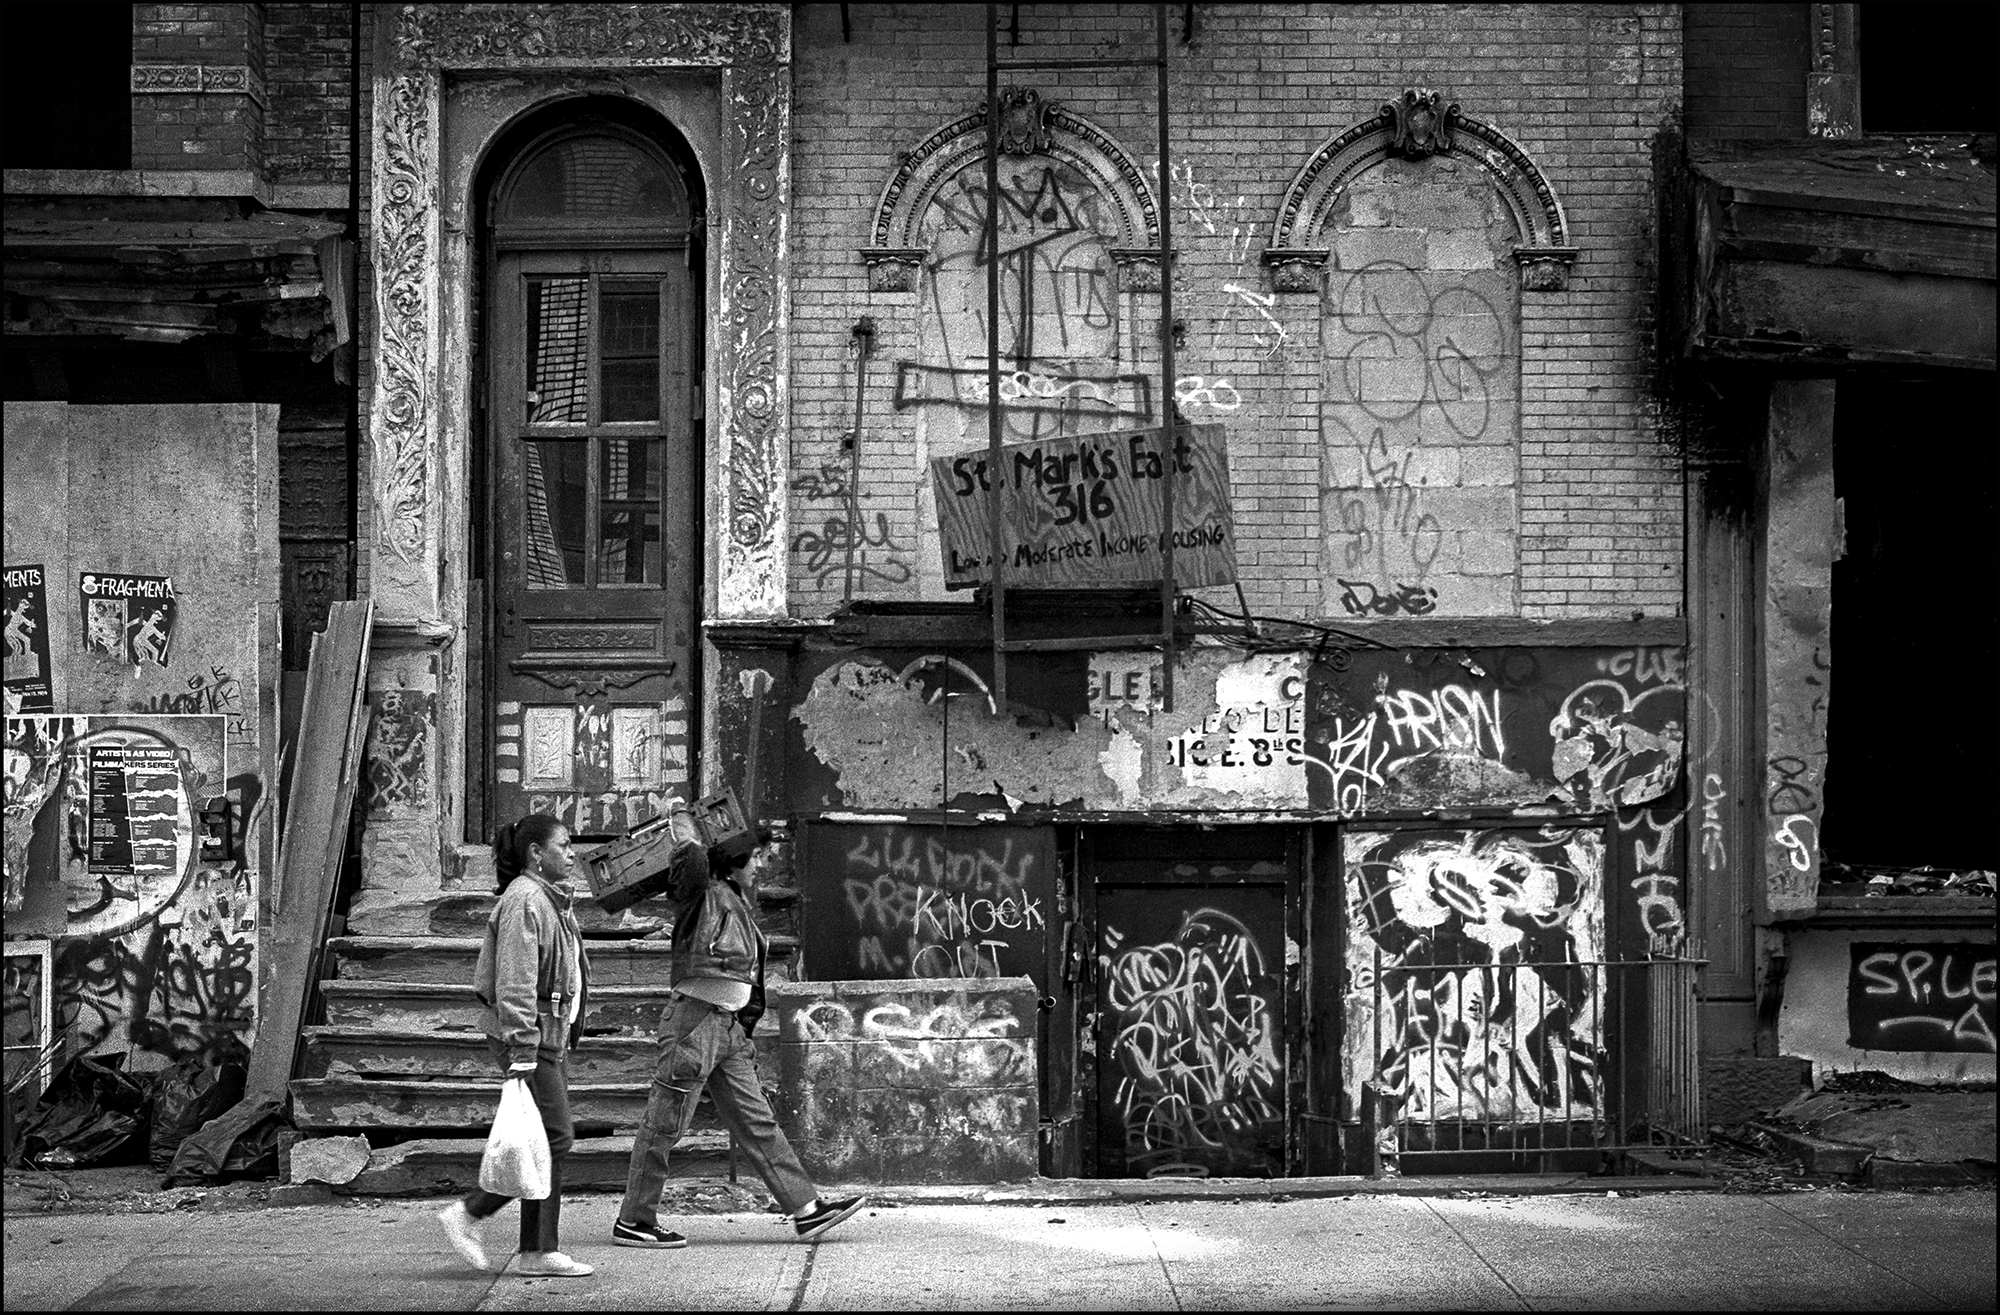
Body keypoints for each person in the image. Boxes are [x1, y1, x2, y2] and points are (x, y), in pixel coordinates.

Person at [614, 822, 863, 1248]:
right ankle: (634, 1220)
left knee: (757, 1119)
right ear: (734, 862)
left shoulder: (735, 899)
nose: (762, 864)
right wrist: (685, 832)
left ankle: (806, 1210)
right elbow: (690, 865)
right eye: (756, 857)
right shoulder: (703, 891)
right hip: (694, 1023)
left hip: (725, 1028)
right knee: (664, 1122)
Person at [437, 814, 595, 1278]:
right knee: (556, 1135)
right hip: (531, 1035)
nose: (572, 854)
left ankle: (535, 1250)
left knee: (545, 1137)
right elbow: (515, 981)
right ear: (535, 853)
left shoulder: (547, 898)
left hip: (548, 1033)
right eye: (564, 845)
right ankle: (472, 1214)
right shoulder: (526, 900)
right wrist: (524, 1047)